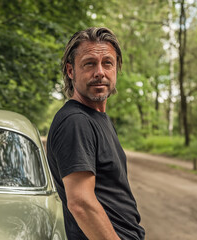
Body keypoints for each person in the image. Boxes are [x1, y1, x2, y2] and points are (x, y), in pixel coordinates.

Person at [47, 27, 145, 240]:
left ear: (116, 68)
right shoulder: (76, 121)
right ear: (71, 71)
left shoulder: (98, 119)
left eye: (107, 63)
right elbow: (81, 203)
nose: (100, 71)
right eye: (89, 63)